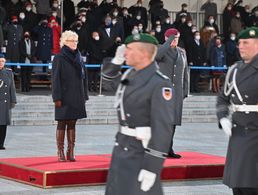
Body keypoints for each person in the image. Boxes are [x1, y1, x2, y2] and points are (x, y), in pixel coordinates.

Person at [104, 33, 174, 195]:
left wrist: (152, 167)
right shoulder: (130, 75)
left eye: (129, 49)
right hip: (122, 148)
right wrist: (116, 62)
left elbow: (162, 130)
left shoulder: (159, 83)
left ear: (143, 53)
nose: (125, 52)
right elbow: (108, 81)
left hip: (140, 153)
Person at [216, 26, 258, 195]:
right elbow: (223, 98)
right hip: (238, 133)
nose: (240, 46)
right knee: (238, 186)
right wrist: (222, 117)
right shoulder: (234, 70)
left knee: (251, 185)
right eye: (240, 43)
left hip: (255, 134)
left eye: (246, 43)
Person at [51, 30, 89, 162]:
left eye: (76, 41)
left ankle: (71, 151)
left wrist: (85, 95)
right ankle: (60, 151)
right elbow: (55, 79)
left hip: (77, 96)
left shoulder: (79, 57)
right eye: (72, 41)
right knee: (62, 123)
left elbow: (84, 78)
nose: (75, 43)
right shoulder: (59, 58)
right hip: (63, 96)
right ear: (65, 42)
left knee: (73, 123)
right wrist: (56, 97)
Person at [156, 28, 189, 158]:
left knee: (173, 122)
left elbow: (185, 72)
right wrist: (168, 41)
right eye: (173, 38)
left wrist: (185, 90)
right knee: (162, 121)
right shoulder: (160, 49)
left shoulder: (182, 52)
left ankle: (169, 148)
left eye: (177, 38)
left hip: (177, 93)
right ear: (166, 38)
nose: (175, 41)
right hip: (164, 93)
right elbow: (157, 56)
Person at [0, 53, 17, 150]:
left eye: (2, 61)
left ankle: (1, 143)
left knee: (3, 124)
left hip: (5, 102)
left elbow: (12, 88)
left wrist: (13, 100)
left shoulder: (9, 72)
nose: (1, 63)